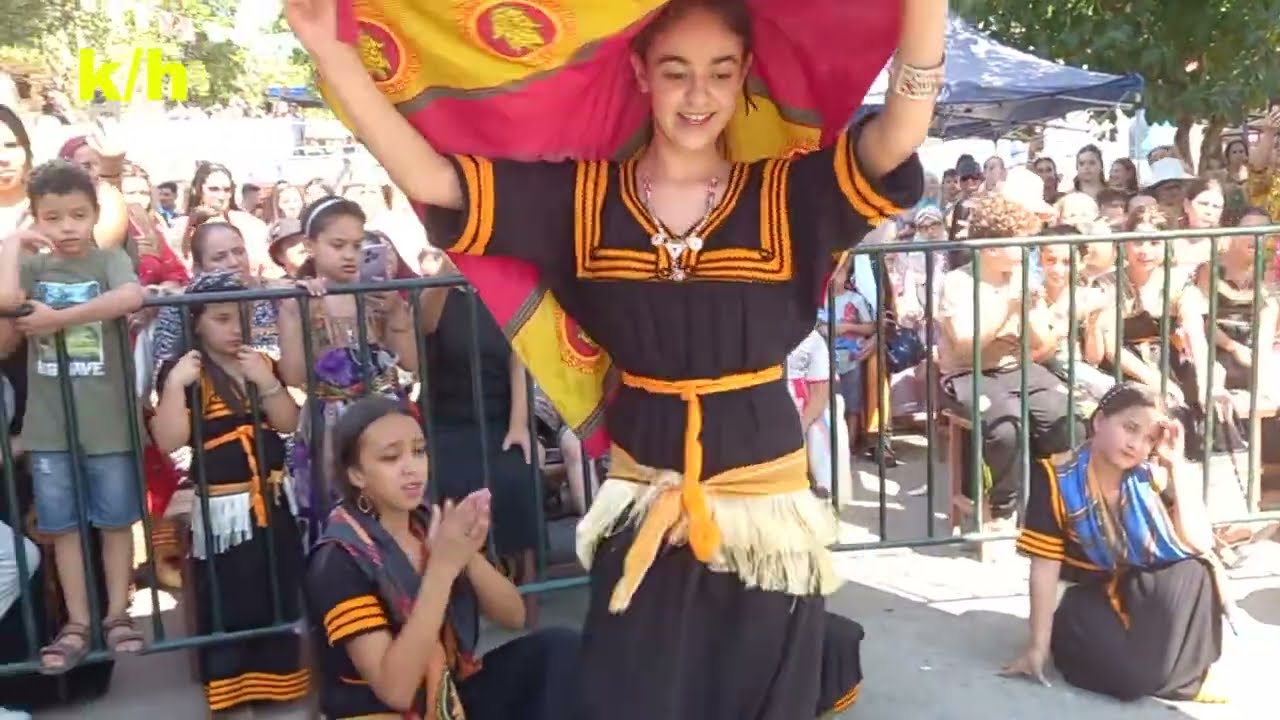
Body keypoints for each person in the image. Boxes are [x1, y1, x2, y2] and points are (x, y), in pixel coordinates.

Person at [288, 0, 944, 716]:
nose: (698, 95)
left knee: (757, 699)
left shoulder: (787, 194)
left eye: (721, 72)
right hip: (642, 502)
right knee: (630, 696)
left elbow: (898, 135)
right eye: (676, 72)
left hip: (766, 516)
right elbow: (438, 183)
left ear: (745, 75)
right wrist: (333, 54)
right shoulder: (584, 202)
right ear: (640, 72)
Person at [304, 396, 580, 719]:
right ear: (356, 475)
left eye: (419, 451)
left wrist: (467, 555)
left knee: (557, 649)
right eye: (391, 457)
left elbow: (514, 616)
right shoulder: (339, 559)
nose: (411, 467)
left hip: (446, 693)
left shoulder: (426, 522)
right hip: (382, 712)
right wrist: (443, 568)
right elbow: (397, 691)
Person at [0, 160, 146, 673]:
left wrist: (59, 319)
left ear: (94, 215)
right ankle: (79, 622)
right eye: (53, 217)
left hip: (107, 418)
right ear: (37, 217)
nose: (66, 227)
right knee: (61, 527)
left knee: (115, 522)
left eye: (78, 215)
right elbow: (6, 300)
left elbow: (131, 296)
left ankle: (117, 614)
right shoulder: (35, 267)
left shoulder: (108, 260)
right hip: (51, 423)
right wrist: (14, 243)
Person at [1002, 382, 1233, 703]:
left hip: (1136, 587)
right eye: (1130, 428)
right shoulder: (1057, 478)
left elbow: (1199, 541)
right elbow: (1044, 569)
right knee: (1130, 683)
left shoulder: (1149, 476)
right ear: (1099, 421)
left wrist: (1176, 464)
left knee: (1195, 570)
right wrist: (1037, 648)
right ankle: (1167, 673)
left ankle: (1182, 676)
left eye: (1149, 438)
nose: (1136, 444)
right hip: (1084, 594)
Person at [151, 272, 310, 715]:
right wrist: (174, 386)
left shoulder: (259, 362)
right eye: (222, 319)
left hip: (273, 497)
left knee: (276, 586)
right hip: (225, 508)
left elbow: (288, 422)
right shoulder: (185, 371)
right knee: (230, 594)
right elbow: (168, 440)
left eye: (240, 316)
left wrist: (268, 383)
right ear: (197, 323)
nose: (235, 327)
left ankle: (278, 683)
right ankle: (231, 687)